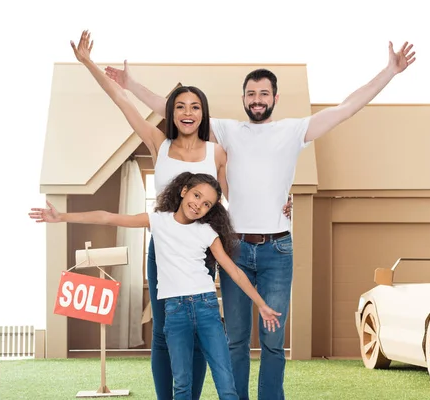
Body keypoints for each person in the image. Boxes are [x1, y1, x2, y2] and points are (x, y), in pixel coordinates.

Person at [105, 40, 416, 400]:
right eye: (251, 93)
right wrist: (131, 85)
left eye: (263, 93)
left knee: (272, 341)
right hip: (235, 247)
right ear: (244, 99)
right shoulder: (226, 131)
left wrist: (390, 72)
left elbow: (346, 108)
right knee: (235, 340)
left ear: (274, 98)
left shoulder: (294, 130)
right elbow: (174, 109)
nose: (257, 99)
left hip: (277, 251)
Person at [70, 31, 292, 400]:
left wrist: (282, 201)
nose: (187, 113)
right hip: (163, 249)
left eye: (194, 107)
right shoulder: (160, 145)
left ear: (203, 114)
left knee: (202, 332)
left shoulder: (217, 151)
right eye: (180, 107)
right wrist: (88, 63)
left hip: (203, 252)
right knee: (162, 331)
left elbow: (239, 194)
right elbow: (120, 100)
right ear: (171, 114)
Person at [30, 172, 282, 399]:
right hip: (175, 312)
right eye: (196, 195)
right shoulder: (158, 221)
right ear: (183, 191)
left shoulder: (207, 232)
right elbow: (107, 218)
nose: (199, 205)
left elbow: (235, 272)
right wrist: (61, 216)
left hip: (206, 309)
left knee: (225, 384)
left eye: (207, 204)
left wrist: (261, 304)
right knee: (181, 386)